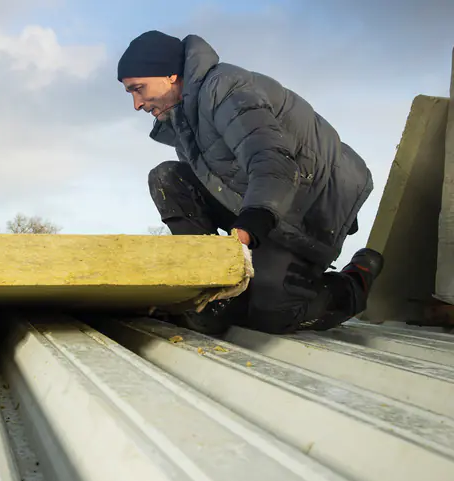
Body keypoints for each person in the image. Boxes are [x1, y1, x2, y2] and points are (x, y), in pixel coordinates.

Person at [117, 30, 384, 335]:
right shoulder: (182, 117)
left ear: (170, 75)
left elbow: (272, 160)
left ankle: (355, 280)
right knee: (168, 179)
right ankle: (208, 286)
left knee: (272, 313)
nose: (137, 104)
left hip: (311, 205)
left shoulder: (226, 88)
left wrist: (248, 229)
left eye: (138, 89)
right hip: (260, 197)